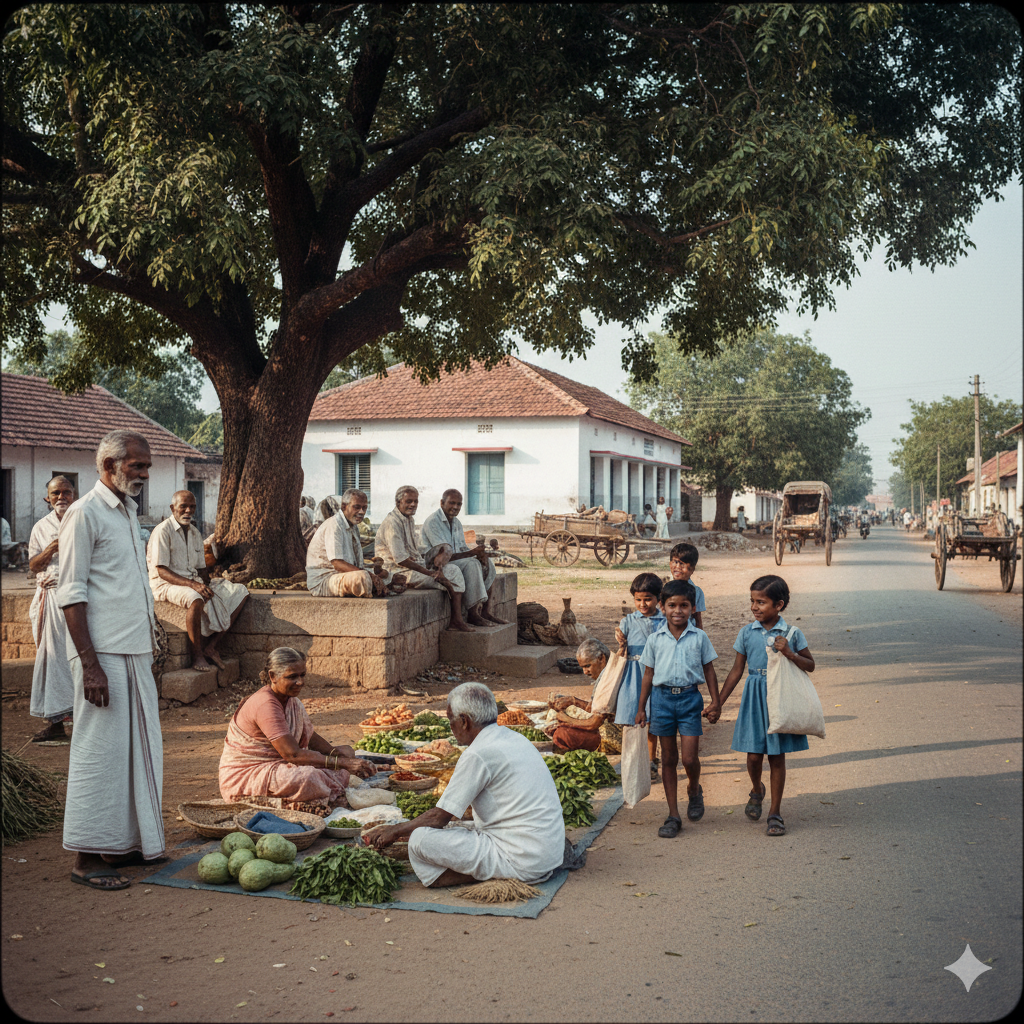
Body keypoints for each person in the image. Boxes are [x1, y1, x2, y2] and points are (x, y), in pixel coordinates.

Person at [57, 430, 165, 889]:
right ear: (108, 466)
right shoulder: (84, 513)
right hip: (102, 654)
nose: (143, 474)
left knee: (140, 750)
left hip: (133, 649)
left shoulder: (128, 512)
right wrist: (91, 664)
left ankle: (124, 844)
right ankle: (86, 856)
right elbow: (71, 593)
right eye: (136, 466)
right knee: (99, 752)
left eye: (146, 467)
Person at [364, 683, 564, 887]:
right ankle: (495, 869)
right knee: (462, 828)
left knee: (419, 840)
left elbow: (439, 818)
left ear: (464, 721)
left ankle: (479, 875)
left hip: (522, 859)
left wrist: (396, 830)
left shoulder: (477, 753)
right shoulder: (514, 737)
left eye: (451, 721)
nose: (451, 728)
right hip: (549, 853)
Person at [716, 574, 815, 838]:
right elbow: (737, 670)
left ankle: (775, 813)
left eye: (761, 602)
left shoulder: (792, 633)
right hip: (754, 695)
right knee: (752, 756)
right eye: (752, 601)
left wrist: (790, 653)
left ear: (779, 605)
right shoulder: (746, 633)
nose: (755, 607)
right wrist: (718, 703)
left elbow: (810, 665)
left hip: (778, 696)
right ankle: (757, 789)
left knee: (776, 756)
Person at [218, 647, 376, 812]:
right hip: (248, 776)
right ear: (272, 676)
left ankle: (322, 791)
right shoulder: (265, 704)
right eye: (292, 677)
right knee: (309, 777)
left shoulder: (290, 700)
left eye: (302, 675)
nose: (300, 682)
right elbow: (292, 754)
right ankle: (312, 798)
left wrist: (335, 753)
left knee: (346, 753)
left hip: (282, 766)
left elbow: (308, 735)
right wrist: (340, 762)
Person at [635, 579, 720, 838]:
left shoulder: (699, 637)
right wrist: (641, 708)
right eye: (672, 605)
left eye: (684, 606)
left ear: (693, 608)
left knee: (689, 758)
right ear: (662, 607)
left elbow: (709, 669)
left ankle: (694, 788)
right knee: (669, 759)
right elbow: (648, 674)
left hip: (689, 700)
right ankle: (673, 815)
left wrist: (715, 701)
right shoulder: (655, 639)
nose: (678, 611)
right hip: (661, 701)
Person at [147, 490, 249, 671]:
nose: (188, 511)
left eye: (192, 507)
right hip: (165, 584)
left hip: (191, 580)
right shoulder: (163, 531)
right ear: (173, 508)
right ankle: (197, 656)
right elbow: (161, 571)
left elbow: (201, 569)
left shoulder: (194, 532)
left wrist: (208, 585)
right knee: (195, 598)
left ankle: (211, 646)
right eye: (183, 506)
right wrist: (195, 586)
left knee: (239, 591)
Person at [375, 485, 474, 632]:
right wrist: (430, 573)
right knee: (452, 573)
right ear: (398, 503)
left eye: (415, 501)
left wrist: (439, 551)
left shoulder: (408, 519)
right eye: (409, 501)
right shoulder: (392, 523)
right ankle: (457, 620)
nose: (413, 505)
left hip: (413, 565)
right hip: (396, 572)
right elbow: (401, 560)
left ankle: (460, 617)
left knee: (453, 569)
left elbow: (415, 550)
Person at [27, 476, 77, 742]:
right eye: (55, 493)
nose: (61, 497)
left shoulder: (81, 521)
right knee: (51, 661)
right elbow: (34, 565)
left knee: (79, 659)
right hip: (51, 599)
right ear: (47, 498)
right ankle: (56, 724)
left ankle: (83, 723)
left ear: (74, 495)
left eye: (66, 492)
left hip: (78, 598)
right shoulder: (40, 527)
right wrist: (50, 550)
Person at [421, 488, 508, 626]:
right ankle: (473, 614)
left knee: (487, 563)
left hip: (454, 561)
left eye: (459, 504)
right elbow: (443, 557)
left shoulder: (456, 523)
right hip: (436, 565)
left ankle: (485, 611)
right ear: (442, 503)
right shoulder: (433, 522)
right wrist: (472, 554)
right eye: (452, 503)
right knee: (471, 564)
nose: (455, 507)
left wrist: (480, 555)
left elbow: (462, 549)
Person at [613, 572, 666, 781]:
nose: (642, 604)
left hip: (655, 675)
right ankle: (631, 761)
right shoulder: (627, 621)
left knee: (651, 720)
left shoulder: (664, 621)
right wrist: (621, 643)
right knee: (630, 719)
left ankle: (651, 760)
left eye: (647, 599)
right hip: (632, 675)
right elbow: (621, 650)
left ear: (658, 599)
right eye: (638, 599)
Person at [306, 488, 403, 598]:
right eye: (357, 507)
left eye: (364, 508)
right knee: (362, 578)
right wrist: (371, 575)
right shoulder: (334, 525)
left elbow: (356, 565)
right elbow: (337, 563)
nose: (361, 512)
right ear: (344, 507)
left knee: (395, 578)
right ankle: (377, 588)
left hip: (344, 576)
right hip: (325, 581)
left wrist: (379, 572)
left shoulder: (353, 527)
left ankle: (379, 586)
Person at [546, 638, 612, 753]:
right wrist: (573, 701)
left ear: (601, 658)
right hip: (603, 726)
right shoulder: (606, 673)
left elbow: (594, 723)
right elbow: (594, 709)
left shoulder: (609, 679)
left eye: (587, 666)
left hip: (611, 735)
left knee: (562, 734)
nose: (585, 672)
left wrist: (567, 720)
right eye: (582, 667)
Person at [667, 542, 705, 630]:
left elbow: (698, 620)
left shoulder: (697, 592)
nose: (678, 567)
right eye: (675, 562)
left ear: (692, 569)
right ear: (670, 564)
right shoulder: (664, 589)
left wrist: (701, 640)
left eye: (682, 564)